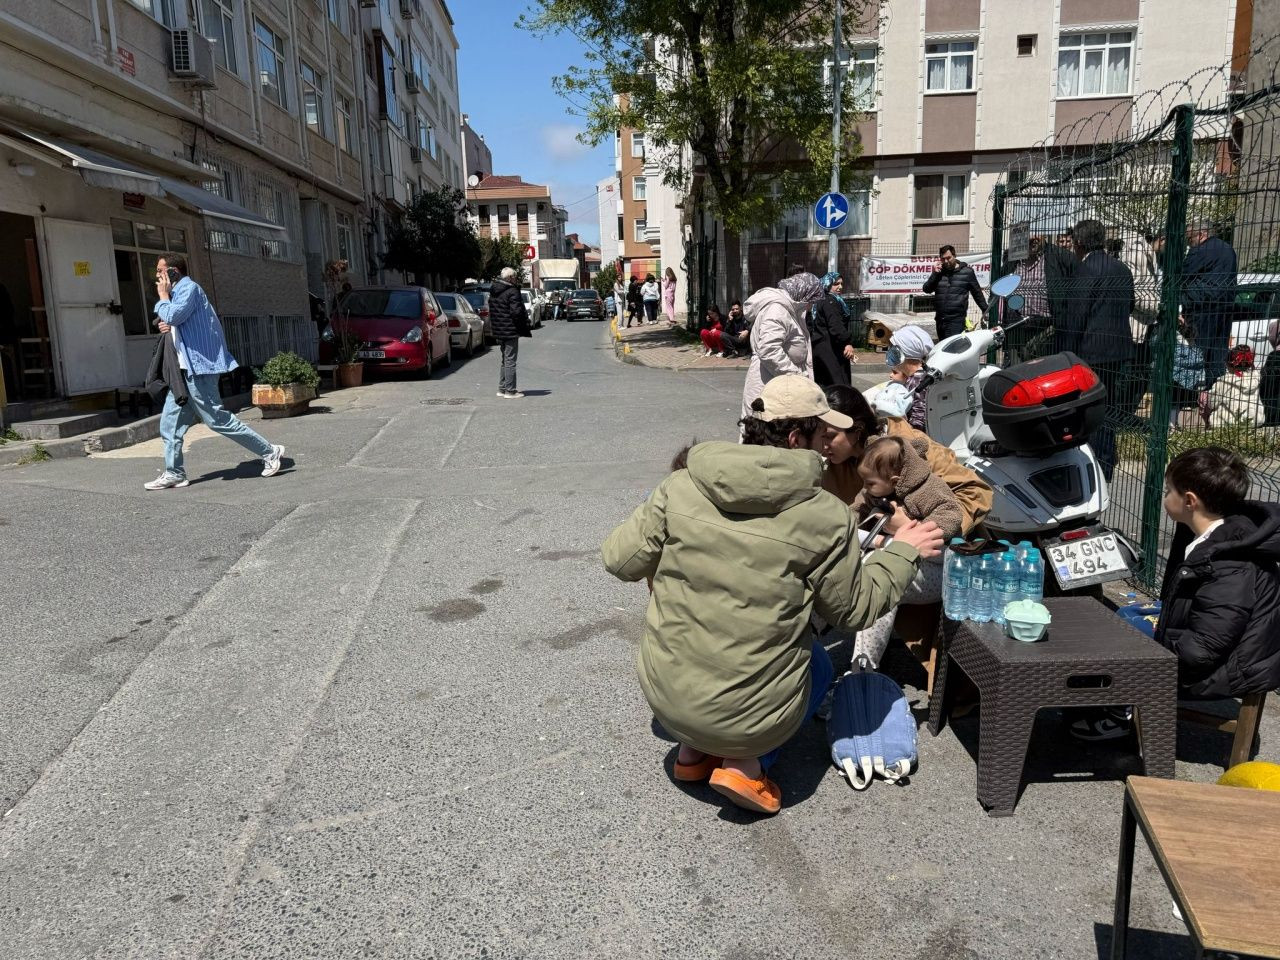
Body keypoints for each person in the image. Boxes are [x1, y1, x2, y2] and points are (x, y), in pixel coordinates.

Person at [601, 374, 944, 814]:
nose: (829, 444)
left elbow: (618, 558)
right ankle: (745, 764)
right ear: (797, 436)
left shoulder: (681, 485)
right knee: (817, 662)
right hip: (748, 719)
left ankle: (692, 754)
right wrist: (902, 552)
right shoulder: (825, 515)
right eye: (823, 433)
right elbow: (855, 611)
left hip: (666, 698)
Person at [1071, 447, 1280, 740]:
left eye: (1169, 490)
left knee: (1115, 644)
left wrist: (1154, 654)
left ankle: (1122, 715)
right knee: (1123, 619)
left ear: (1190, 501)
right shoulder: (1212, 536)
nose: (1164, 495)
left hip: (1229, 667)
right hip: (1212, 645)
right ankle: (1114, 703)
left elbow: (1204, 648)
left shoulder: (1230, 565)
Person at [144, 256, 283, 490]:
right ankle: (174, 472)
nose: (157, 277)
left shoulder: (190, 289)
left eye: (161, 271)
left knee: (217, 419)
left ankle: (269, 452)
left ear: (174, 272)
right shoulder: (177, 294)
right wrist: (164, 321)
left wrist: (163, 299)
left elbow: (174, 315)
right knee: (169, 424)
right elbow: (168, 319)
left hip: (200, 368)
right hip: (182, 371)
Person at [848, 435, 965, 666]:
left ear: (894, 480)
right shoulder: (873, 491)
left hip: (939, 563)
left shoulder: (928, 488)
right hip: (899, 552)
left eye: (869, 483)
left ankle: (863, 668)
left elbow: (952, 514)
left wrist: (913, 528)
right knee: (872, 574)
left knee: (879, 582)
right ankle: (860, 663)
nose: (865, 488)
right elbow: (854, 511)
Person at [821, 384, 992, 536]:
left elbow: (975, 492)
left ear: (857, 430)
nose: (823, 445)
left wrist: (921, 528)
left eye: (829, 436)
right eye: (818, 436)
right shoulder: (834, 464)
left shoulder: (907, 449)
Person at [1059, 219, 1136, 482]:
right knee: (1110, 410)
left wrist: (1066, 357)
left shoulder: (1084, 271)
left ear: (1079, 243)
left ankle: (1094, 468)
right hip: (1120, 351)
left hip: (1089, 354)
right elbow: (1130, 305)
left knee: (1088, 414)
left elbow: (1075, 318)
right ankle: (1106, 463)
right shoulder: (1122, 269)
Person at [740, 271, 825, 422]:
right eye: (812, 301)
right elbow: (769, 350)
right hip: (767, 381)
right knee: (762, 429)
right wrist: (796, 376)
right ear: (803, 295)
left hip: (777, 381)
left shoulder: (789, 310)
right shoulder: (777, 311)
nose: (811, 306)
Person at [1182, 221, 1238, 388]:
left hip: (1202, 307)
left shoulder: (1202, 250)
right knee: (1217, 354)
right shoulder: (1228, 249)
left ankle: (1190, 394)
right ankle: (1214, 389)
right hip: (1225, 308)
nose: (1189, 243)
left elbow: (1181, 274)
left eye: (1189, 239)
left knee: (1196, 353)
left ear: (1201, 235)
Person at [1009, 236, 1076, 364]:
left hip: (1047, 330)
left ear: (1044, 235)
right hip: (1017, 328)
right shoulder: (1012, 261)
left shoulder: (1057, 257)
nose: (1033, 238)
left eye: (1037, 233)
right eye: (1029, 233)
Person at [871, 325, 934, 431]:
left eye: (893, 349)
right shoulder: (914, 377)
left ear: (903, 353)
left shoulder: (918, 383)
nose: (889, 352)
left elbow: (918, 423)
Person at [922, 245, 989, 341]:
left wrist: (985, 310)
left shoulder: (967, 272)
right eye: (943, 259)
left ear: (954, 255)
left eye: (948, 258)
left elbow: (977, 293)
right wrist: (935, 273)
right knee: (942, 349)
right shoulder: (939, 273)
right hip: (940, 320)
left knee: (953, 350)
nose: (946, 261)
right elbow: (927, 289)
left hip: (956, 321)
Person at [489, 266, 531, 399]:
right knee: (510, 360)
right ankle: (510, 391)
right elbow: (516, 312)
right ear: (511, 278)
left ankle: (502, 388)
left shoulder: (494, 290)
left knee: (505, 360)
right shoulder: (512, 291)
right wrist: (522, 325)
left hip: (499, 329)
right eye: (515, 277)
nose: (516, 279)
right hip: (510, 329)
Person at [809, 271, 855, 388]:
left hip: (818, 349)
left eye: (841, 284)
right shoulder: (830, 301)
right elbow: (835, 326)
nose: (840, 287)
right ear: (827, 284)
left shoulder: (817, 301)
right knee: (839, 385)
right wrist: (847, 343)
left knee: (823, 384)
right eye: (836, 284)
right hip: (832, 349)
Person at [1206, 344, 1265, 428]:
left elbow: (1211, 404)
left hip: (1228, 424)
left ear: (1229, 364)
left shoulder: (1223, 381)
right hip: (1254, 422)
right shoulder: (1255, 378)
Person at [1170, 314, 1208, 429]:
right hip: (1185, 381)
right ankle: (1173, 423)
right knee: (1177, 403)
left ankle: (1172, 424)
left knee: (1173, 403)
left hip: (1174, 378)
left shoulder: (1175, 343)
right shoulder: (1193, 348)